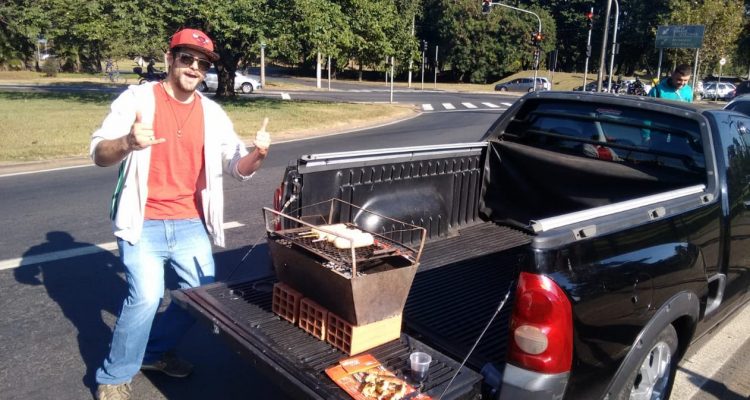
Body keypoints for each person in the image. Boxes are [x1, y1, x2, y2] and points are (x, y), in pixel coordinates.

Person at [89, 28, 271, 400]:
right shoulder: (138, 99)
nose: (194, 67)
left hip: (190, 222)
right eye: (186, 58)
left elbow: (237, 166)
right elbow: (97, 153)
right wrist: (127, 142)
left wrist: (258, 155)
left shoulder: (211, 112)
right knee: (146, 297)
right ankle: (113, 375)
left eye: (202, 63)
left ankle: (153, 352)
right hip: (143, 222)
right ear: (170, 58)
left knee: (201, 299)